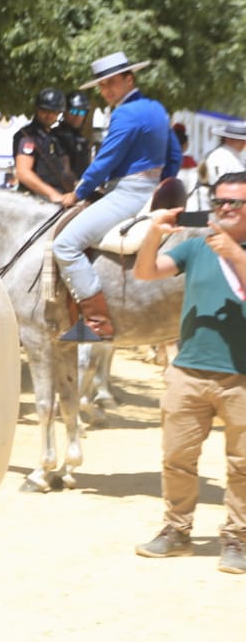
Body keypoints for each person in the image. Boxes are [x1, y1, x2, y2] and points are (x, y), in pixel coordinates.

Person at [131, 171, 246, 574]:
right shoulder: (197, 248)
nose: (225, 208)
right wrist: (153, 233)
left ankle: (238, 539)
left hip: (242, 378)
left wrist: (234, 253)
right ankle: (177, 532)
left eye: (235, 202)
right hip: (189, 372)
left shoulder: (228, 249)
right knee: (177, 458)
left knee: (243, 464)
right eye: (219, 202)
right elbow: (145, 273)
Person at [51, 51, 181, 340]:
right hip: (151, 189)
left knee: (65, 245)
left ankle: (97, 324)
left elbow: (106, 160)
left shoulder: (124, 113)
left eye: (112, 82)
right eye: (102, 85)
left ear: (129, 79)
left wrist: (79, 192)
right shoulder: (157, 108)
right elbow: (174, 154)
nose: (107, 90)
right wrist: (162, 184)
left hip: (127, 193)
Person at [11, 88, 76, 202]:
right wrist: (52, 194)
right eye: (45, 110)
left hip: (60, 199)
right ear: (37, 109)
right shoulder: (28, 137)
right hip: (34, 201)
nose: (50, 115)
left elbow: (65, 171)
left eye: (55, 111)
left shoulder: (56, 137)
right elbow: (23, 172)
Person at [195, 120, 246, 211]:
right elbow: (219, 187)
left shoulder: (230, 156)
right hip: (214, 207)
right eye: (241, 139)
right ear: (228, 139)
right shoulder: (221, 157)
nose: (243, 143)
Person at [51, 90, 96, 181]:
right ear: (65, 111)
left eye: (82, 112)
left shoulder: (82, 140)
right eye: (73, 111)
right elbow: (65, 171)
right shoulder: (55, 136)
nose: (77, 116)